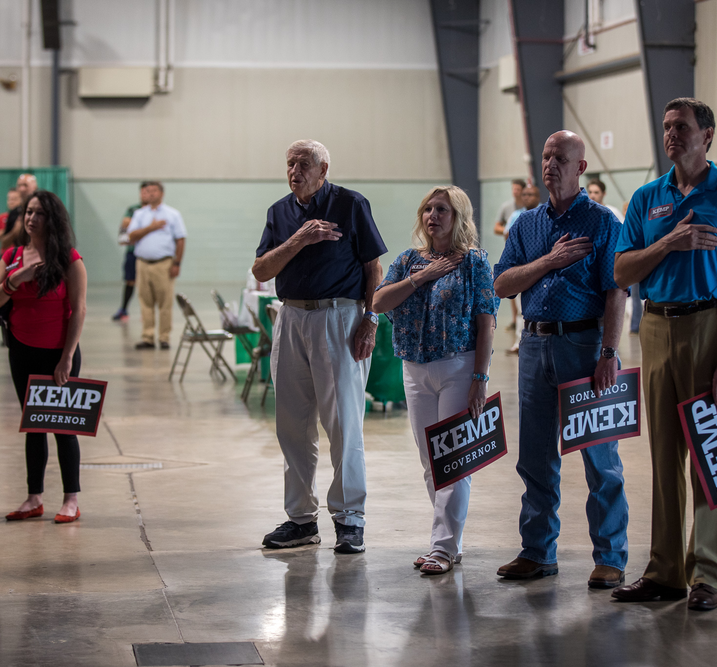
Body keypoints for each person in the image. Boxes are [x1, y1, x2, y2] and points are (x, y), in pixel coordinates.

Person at [612, 97, 717, 612]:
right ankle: (665, 572)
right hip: (654, 326)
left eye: (682, 127)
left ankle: (705, 575)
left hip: (707, 326)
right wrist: (670, 243)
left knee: (709, 453)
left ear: (708, 136)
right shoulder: (646, 199)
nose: (672, 134)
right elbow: (622, 272)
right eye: (666, 127)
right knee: (663, 457)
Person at [492, 131, 629, 589]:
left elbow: (616, 291)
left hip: (584, 346)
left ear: (581, 167)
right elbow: (503, 283)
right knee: (535, 457)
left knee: (599, 457)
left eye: (561, 158)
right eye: (547, 156)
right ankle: (537, 552)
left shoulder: (602, 223)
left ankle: (610, 556)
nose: (551, 164)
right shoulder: (526, 225)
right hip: (533, 346)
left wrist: (609, 352)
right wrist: (548, 262)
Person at [254, 139, 386, 554]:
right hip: (291, 317)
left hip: (339, 317)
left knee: (344, 422)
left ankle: (349, 518)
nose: (295, 170)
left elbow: (373, 267)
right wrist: (299, 240)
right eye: (290, 163)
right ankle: (300, 519)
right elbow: (261, 268)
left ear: (323, 169)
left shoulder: (350, 204)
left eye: (304, 163)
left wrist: (371, 319)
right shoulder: (280, 212)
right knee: (291, 424)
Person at [371, 185, 496, 574]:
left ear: (458, 217)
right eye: (428, 209)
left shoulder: (473, 261)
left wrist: (480, 376)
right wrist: (421, 278)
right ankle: (450, 542)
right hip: (415, 368)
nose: (433, 216)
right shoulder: (409, 260)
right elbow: (378, 301)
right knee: (430, 462)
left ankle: (441, 548)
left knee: (453, 460)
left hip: (457, 367)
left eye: (442, 209)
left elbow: (486, 319)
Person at [0, 190, 88, 524]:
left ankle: (71, 499)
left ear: (53, 219)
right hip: (21, 349)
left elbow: (78, 310)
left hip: (59, 353)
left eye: (39, 213)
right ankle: (34, 497)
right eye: (28, 212)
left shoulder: (69, 259)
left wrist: (67, 357)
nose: (31, 219)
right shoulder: (12, 255)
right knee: (33, 425)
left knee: (62, 427)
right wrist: (16, 280)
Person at [127, 181, 186, 349]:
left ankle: (164, 337)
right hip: (143, 264)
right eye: (148, 191)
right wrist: (151, 227)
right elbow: (131, 236)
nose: (151, 194)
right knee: (145, 302)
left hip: (164, 264)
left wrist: (177, 263)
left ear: (161, 193)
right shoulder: (139, 214)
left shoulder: (172, 214)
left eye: (154, 191)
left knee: (164, 302)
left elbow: (181, 239)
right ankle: (148, 337)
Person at [587, 179, 641, 333]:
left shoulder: (612, 213)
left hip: (610, 264)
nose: (592, 196)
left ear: (603, 194)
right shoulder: (585, 214)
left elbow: (623, 238)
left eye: (596, 192)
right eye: (590, 192)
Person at [503, 184, 542, 353]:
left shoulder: (544, 214)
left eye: (531, 195)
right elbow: (507, 235)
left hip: (540, 267)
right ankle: (520, 341)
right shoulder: (516, 215)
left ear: (538, 197)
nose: (527, 198)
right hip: (520, 267)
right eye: (524, 195)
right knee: (520, 308)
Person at [112, 184, 153, 322]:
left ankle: (147, 312)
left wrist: (139, 229)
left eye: (147, 192)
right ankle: (123, 309)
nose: (145, 195)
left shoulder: (155, 212)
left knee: (147, 284)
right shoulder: (133, 210)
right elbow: (125, 226)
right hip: (132, 252)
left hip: (147, 253)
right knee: (130, 281)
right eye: (142, 192)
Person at [0, 174, 37, 250]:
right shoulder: (14, 213)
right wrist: (14, 232)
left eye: (25, 185)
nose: (22, 189)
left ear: (34, 187)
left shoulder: (44, 208)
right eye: (19, 186)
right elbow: (4, 243)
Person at [0, 188, 22, 253]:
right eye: (9, 199)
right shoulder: (1, 217)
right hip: (5, 253)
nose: (11, 202)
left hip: (19, 252)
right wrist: (10, 229)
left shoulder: (22, 217)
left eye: (14, 199)